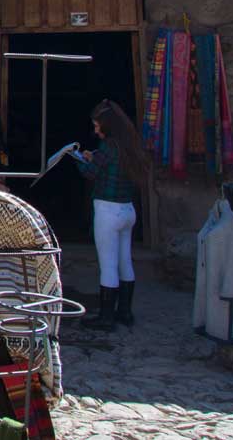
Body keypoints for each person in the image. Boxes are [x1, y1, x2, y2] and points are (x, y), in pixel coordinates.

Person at [76, 99, 150, 330]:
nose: (96, 130)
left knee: (108, 265)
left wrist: (78, 160)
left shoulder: (108, 147)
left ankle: (106, 318)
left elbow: (90, 173)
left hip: (108, 211)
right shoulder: (129, 146)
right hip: (127, 210)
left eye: (98, 126)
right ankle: (124, 312)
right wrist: (94, 156)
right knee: (125, 261)